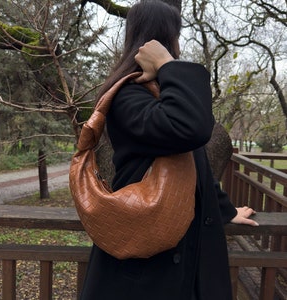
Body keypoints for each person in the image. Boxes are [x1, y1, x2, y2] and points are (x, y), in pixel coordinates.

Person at [79, 1, 258, 299]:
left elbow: (192, 162)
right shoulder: (128, 95)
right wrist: (167, 64)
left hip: (177, 253)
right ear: (170, 37)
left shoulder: (165, 93)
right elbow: (191, 129)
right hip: (146, 264)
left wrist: (224, 210)